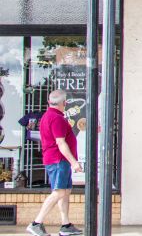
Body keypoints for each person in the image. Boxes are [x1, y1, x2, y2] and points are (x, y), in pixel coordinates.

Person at [26, 89, 83, 236]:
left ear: (49, 102)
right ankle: (36, 223)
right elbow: (61, 143)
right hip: (58, 160)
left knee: (65, 192)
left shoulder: (48, 116)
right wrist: (74, 162)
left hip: (57, 160)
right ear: (64, 103)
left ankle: (65, 225)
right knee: (59, 192)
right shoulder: (56, 118)